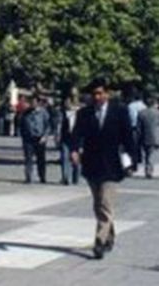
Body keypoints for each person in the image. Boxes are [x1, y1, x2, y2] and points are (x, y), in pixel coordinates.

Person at [70, 79, 136, 259]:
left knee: (105, 203)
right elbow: (76, 134)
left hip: (111, 165)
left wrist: (132, 160)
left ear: (107, 94)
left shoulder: (120, 112)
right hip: (91, 164)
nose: (97, 97)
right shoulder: (84, 113)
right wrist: (74, 150)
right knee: (98, 205)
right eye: (94, 94)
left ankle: (99, 242)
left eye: (100, 93)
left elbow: (128, 137)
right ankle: (109, 234)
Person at [20, 96, 51, 184]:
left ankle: (42, 176)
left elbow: (47, 125)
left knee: (41, 159)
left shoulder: (43, 113)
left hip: (40, 138)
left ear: (38, 103)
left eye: (34, 102)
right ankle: (29, 177)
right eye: (31, 102)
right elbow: (21, 124)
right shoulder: (26, 113)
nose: (32, 104)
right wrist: (23, 136)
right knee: (28, 159)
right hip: (28, 139)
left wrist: (45, 136)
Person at [56, 98, 81, 185]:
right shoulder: (62, 113)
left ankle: (75, 178)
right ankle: (65, 177)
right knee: (64, 158)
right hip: (65, 138)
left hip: (76, 139)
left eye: (68, 103)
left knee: (76, 159)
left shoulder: (79, 114)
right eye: (66, 103)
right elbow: (59, 126)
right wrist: (58, 137)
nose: (67, 105)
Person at [137, 98, 159, 178]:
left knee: (147, 154)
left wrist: (138, 137)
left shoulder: (141, 113)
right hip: (155, 136)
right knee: (151, 154)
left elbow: (139, 127)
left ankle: (148, 169)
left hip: (144, 136)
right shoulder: (157, 113)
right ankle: (149, 170)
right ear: (154, 103)